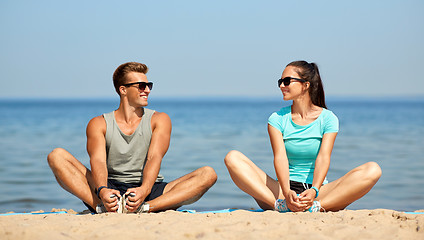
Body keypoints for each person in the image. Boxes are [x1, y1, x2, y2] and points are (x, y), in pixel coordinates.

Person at [48, 62, 217, 213]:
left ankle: (146, 208)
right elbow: (98, 161)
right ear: (123, 90)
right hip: (109, 188)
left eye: (149, 85)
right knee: (56, 156)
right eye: (142, 86)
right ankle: (100, 206)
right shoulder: (99, 123)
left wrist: (144, 190)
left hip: (149, 188)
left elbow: (154, 157)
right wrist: (102, 190)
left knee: (208, 174)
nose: (148, 90)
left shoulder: (160, 119)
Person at [224, 60, 381, 212]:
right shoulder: (277, 119)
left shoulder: (328, 118)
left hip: (318, 193)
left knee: (373, 170)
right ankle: (279, 206)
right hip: (281, 193)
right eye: (280, 81)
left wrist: (314, 191)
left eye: (286, 81)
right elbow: (280, 158)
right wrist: (286, 193)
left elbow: (324, 157)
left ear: (306, 85)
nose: (281, 86)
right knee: (232, 158)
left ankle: (316, 207)